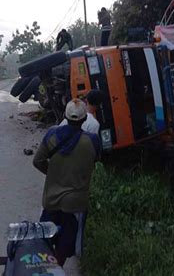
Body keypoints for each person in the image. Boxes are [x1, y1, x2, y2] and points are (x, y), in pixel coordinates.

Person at [33, 99, 100, 266]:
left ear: (65, 116)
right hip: (76, 205)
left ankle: (48, 266)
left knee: (44, 241)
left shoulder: (52, 135)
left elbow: (38, 161)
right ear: (85, 120)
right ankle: (57, 266)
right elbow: (95, 161)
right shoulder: (92, 141)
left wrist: (53, 174)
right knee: (66, 245)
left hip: (51, 200)